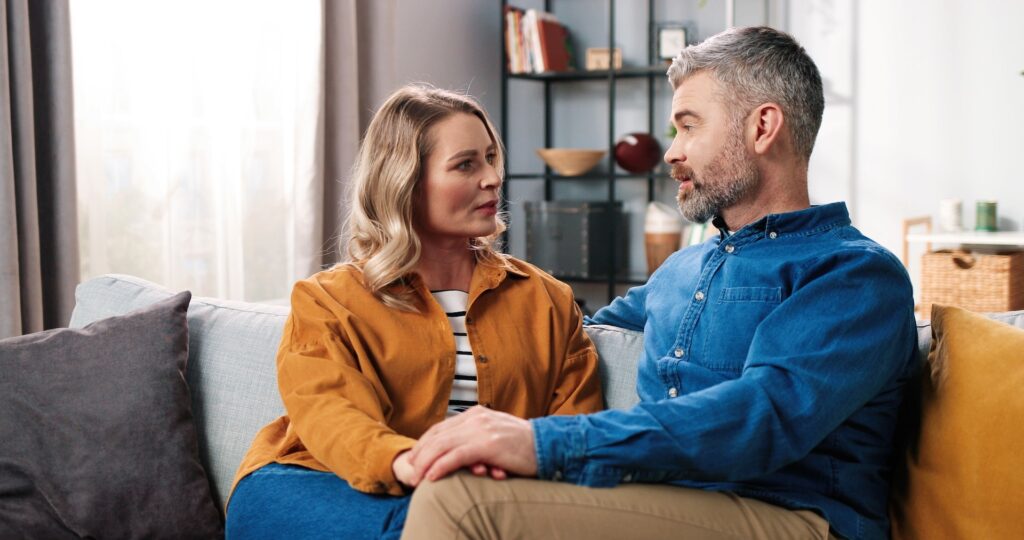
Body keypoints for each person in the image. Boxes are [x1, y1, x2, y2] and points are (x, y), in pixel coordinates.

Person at [400, 27, 918, 540]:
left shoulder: (855, 275)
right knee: (448, 484)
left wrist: (542, 443)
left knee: (461, 504)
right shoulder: (681, 269)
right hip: (665, 499)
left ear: (763, 127)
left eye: (689, 126)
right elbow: (562, 336)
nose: (672, 152)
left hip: (793, 516)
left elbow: (763, 415)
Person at [224, 84, 604, 539]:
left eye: (490, 158)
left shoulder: (547, 300)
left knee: (455, 521)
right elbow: (329, 412)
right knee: (430, 523)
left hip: (471, 502)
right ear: (404, 181)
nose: (492, 178)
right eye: (466, 164)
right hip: (314, 481)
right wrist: (411, 463)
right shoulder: (326, 300)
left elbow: (573, 429)